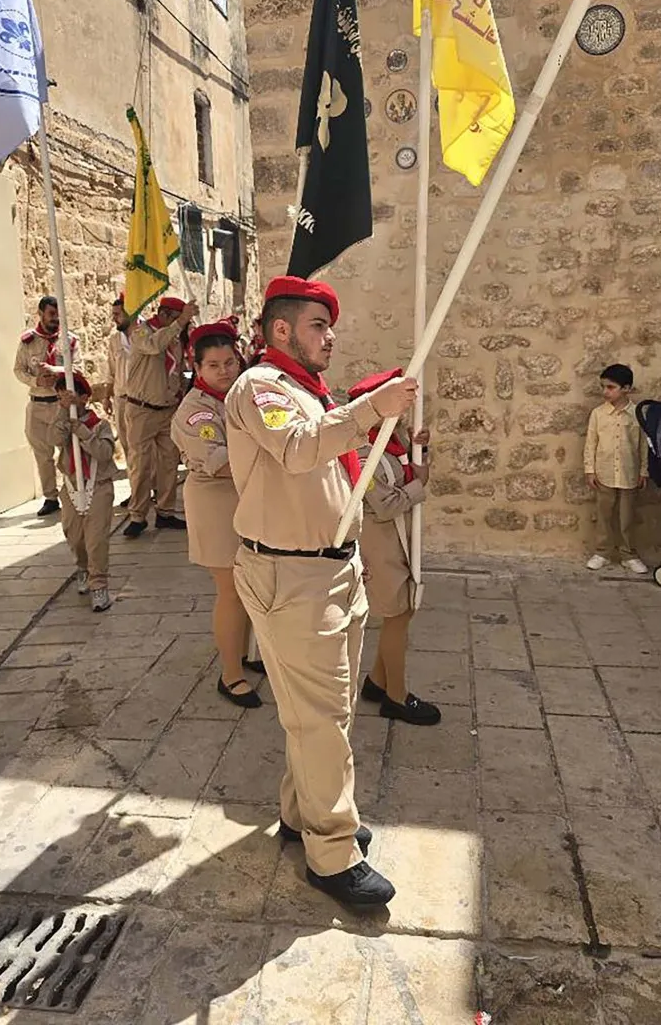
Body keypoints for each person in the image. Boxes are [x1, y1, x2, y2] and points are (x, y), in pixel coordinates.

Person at [225, 275, 417, 910]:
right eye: (317, 326)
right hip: (293, 575)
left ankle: (302, 812)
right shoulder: (261, 387)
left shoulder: (309, 392)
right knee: (321, 718)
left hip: (330, 570)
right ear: (280, 330)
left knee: (321, 713)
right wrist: (369, 410)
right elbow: (298, 449)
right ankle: (331, 851)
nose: (330, 336)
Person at [171, 317, 262, 710]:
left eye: (229, 363)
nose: (224, 371)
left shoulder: (240, 396)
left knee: (248, 586)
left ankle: (244, 653)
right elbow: (221, 463)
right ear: (197, 367)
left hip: (245, 499)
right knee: (230, 590)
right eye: (213, 365)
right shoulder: (195, 411)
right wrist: (269, 454)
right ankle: (231, 675)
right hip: (215, 503)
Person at [347, 369, 441, 727]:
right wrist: (419, 486)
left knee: (405, 609)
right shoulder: (361, 451)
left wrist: (421, 448)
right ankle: (397, 697)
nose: (402, 411)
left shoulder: (391, 439)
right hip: (379, 540)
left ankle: (377, 681)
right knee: (397, 614)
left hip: (399, 535)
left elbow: (409, 476)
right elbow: (385, 505)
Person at [123, 295, 196, 538]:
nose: (180, 324)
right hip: (142, 409)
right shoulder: (141, 332)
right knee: (141, 465)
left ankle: (165, 511)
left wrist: (180, 393)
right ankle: (138, 515)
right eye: (175, 318)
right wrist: (181, 321)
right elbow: (154, 346)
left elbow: (177, 369)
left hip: (167, 409)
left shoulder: (174, 338)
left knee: (168, 463)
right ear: (163, 315)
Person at [51, 372, 117, 612]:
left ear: (84, 397)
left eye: (69, 396)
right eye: (60, 397)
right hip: (71, 486)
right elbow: (54, 439)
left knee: (96, 538)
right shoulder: (62, 422)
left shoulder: (100, 425)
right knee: (75, 535)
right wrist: (63, 414)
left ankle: (99, 583)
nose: (65, 401)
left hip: (98, 485)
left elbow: (104, 453)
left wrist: (82, 431)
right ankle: (83, 567)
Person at [14, 295, 79, 517]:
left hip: (61, 404)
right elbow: (18, 370)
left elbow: (77, 368)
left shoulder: (69, 340)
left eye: (58, 314)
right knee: (43, 455)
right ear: (40, 313)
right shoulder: (28, 341)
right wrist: (36, 381)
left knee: (68, 450)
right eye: (51, 314)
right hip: (38, 404)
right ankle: (51, 498)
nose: (55, 319)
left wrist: (56, 371)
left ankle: (73, 492)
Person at [584, 363, 649, 575]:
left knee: (627, 517)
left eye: (611, 387)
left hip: (629, 474)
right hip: (604, 473)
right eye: (603, 387)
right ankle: (602, 553)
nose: (605, 392)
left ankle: (628, 554)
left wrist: (643, 471)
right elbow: (591, 443)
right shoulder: (598, 414)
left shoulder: (636, 415)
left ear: (626, 388)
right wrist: (590, 470)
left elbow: (643, 445)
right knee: (604, 515)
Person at [104, 293, 133, 477]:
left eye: (117, 314)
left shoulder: (144, 335)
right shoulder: (115, 341)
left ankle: (153, 484)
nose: (114, 318)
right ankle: (135, 485)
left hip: (142, 400)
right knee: (126, 443)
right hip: (122, 399)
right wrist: (107, 397)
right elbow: (111, 371)